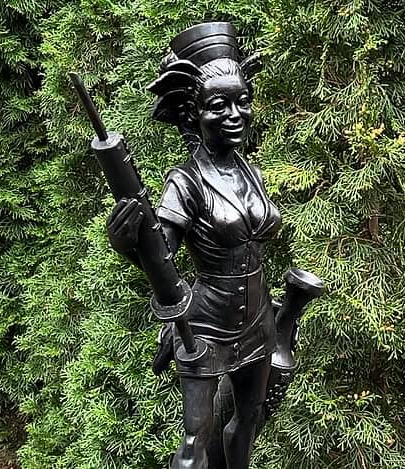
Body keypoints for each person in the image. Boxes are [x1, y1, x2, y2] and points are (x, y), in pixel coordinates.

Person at [105, 22, 280, 469]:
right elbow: (159, 254)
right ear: (194, 114)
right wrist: (126, 242)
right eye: (219, 105)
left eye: (242, 101)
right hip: (205, 325)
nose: (235, 114)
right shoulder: (185, 182)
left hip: (259, 319)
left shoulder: (251, 171)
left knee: (250, 418)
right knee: (193, 444)